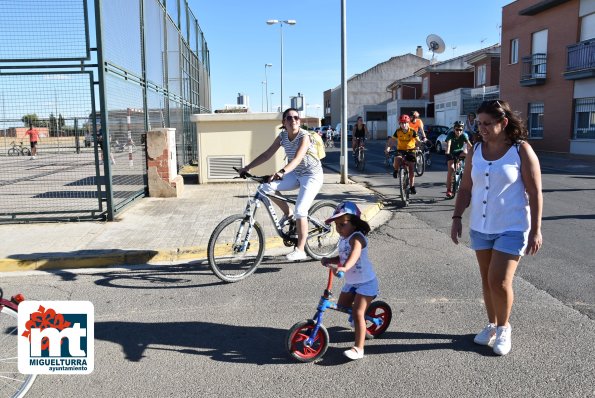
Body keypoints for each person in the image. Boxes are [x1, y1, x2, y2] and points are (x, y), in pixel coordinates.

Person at [450, 99, 543, 356]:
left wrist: (536, 230)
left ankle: (504, 328)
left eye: (487, 123)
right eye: (479, 123)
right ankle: (491, 325)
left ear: (503, 122)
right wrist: (457, 217)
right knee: (486, 280)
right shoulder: (476, 150)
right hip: (481, 226)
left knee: (499, 281)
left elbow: (535, 193)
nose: (482, 128)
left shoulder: (521, 150)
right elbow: (466, 188)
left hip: (512, 227)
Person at [238, 108, 324, 261]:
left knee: (301, 210)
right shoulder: (283, 136)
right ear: (284, 122)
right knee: (265, 187)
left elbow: (297, 158)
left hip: (312, 176)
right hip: (296, 173)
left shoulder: (305, 136)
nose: (293, 121)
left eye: (296, 118)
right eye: (289, 118)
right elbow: (267, 154)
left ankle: (300, 249)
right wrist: (247, 168)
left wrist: (282, 172)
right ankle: (287, 213)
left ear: (299, 120)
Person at [321, 201, 377, 361]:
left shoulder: (357, 237)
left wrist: (344, 268)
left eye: (342, 224)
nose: (338, 228)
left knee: (358, 313)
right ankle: (360, 319)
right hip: (352, 282)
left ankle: (359, 348)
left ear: (354, 223)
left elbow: (354, 254)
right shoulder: (344, 238)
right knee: (343, 306)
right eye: (336, 225)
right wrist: (330, 259)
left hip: (366, 282)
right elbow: (343, 256)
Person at [385, 114, 419, 194]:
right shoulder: (398, 131)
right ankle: (396, 170)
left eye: (405, 123)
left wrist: (419, 145)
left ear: (408, 123)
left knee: (411, 169)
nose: (404, 125)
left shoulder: (412, 131)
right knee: (397, 158)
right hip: (401, 149)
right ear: (399, 124)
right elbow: (392, 140)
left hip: (411, 150)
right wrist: (388, 148)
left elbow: (418, 141)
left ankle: (412, 186)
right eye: (402, 123)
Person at [445, 121, 472, 199]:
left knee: (467, 154)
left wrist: (474, 152)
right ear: (454, 129)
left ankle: (462, 168)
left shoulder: (464, 135)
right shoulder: (451, 134)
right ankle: (449, 190)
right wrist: (447, 151)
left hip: (459, 152)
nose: (459, 131)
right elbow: (449, 143)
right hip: (450, 153)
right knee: (451, 168)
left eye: (460, 130)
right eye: (457, 129)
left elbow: (469, 145)